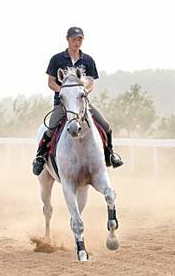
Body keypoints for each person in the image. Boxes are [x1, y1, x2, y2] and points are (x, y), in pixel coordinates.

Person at [32, 27, 123, 176]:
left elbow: (91, 82)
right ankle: (40, 157)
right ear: (67, 39)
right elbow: (51, 82)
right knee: (50, 129)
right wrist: (64, 91)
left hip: (82, 104)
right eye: (74, 39)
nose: (77, 42)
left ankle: (110, 154)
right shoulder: (57, 59)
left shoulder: (88, 60)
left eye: (80, 39)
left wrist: (85, 91)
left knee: (106, 126)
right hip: (63, 104)